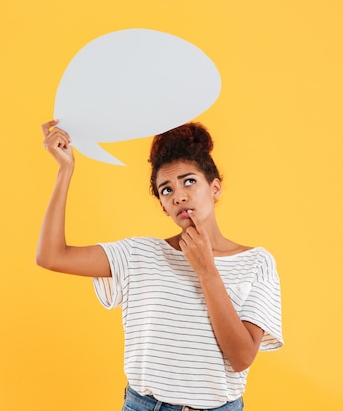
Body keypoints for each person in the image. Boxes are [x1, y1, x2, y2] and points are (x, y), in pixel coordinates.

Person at [36, 119, 283, 411]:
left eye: (189, 181)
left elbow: (242, 357)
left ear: (214, 188)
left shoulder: (257, 262)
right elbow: (52, 256)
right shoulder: (140, 254)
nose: (178, 195)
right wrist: (65, 170)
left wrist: (207, 271)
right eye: (166, 190)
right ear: (164, 207)